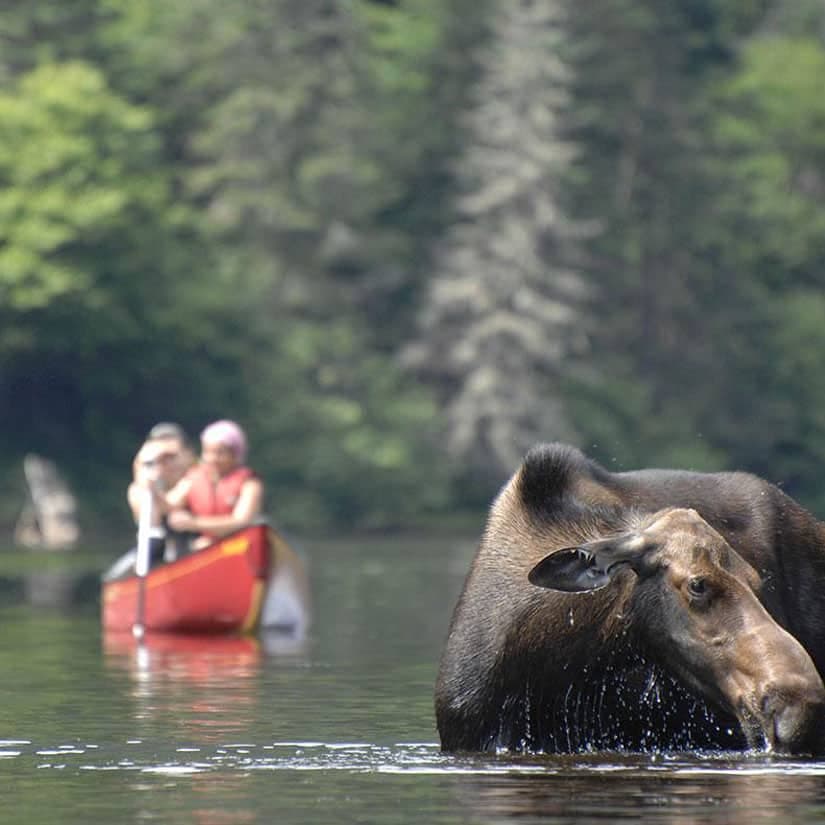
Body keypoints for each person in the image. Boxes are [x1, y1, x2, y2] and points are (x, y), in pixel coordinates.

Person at [166, 420, 263, 550]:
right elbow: (168, 505)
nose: (212, 458)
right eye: (208, 452)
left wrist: (194, 523)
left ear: (235, 455)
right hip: (204, 547)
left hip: (240, 547)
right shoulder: (193, 478)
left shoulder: (250, 482)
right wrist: (149, 486)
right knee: (201, 546)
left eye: (220, 453)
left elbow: (241, 521)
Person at [127, 422, 195, 564]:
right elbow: (149, 519)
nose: (165, 463)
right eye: (159, 459)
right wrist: (144, 468)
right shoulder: (138, 489)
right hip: (158, 555)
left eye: (171, 456)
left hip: (193, 550)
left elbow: (171, 505)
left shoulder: (195, 479)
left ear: (188, 455)